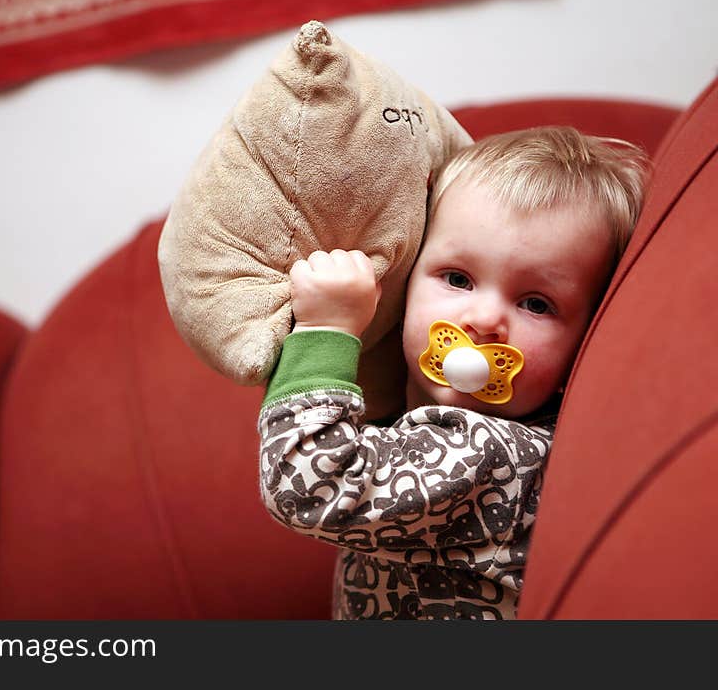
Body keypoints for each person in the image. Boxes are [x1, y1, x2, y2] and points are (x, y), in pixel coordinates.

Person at [258, 126, 649, 620]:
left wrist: (326, 328)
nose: (484, 320)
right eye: (458, 279)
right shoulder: (424, 422)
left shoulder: (492, 455)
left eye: (536, 303)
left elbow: (311, 488)